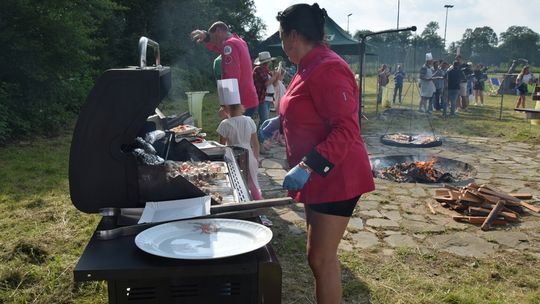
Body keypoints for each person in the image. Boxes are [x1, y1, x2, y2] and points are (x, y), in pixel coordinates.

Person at [259, 3, 375, 303]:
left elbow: (346, 129)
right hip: (319, 175)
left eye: (283, 38)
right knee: (317, 256)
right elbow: (307, 106)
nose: (283, 46)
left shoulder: (328, 67)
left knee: (321, 259)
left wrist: (307, 166)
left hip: (337, 175)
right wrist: (280, 121)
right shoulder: (307, 64)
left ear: (294, 35)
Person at [191, 22, 258, 117]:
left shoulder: (229, 45)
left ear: (218, 31)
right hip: (248, 98)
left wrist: (227, 104)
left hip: (240, 102)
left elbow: (231, 76)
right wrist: (206, 37)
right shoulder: (239, 41)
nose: (214, 42)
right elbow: (218, 47)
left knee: (235, 131)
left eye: (213, 38)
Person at [216, 79, 262, 200]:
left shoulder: (225, 124)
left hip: (233, 156)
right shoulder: (249, 120)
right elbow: (256, 144)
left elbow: (222, 147)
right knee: (252, 182)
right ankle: (257, 202)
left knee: (238, 183)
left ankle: (244, 202)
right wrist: (256, 158)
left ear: (225, 109)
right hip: (249, 155)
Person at [253, 51, 283, 135]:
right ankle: (260, 139)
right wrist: (274, 75)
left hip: (268, 98)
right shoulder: (258, 69)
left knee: (264, 120)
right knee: (264, 120)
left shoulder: (266, 70)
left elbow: (275, 82)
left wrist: (277, 72)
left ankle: (259, 138)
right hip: (263, 98)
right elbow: (267, 83)